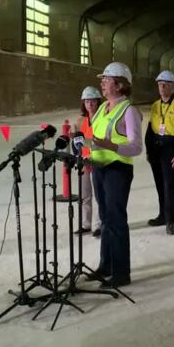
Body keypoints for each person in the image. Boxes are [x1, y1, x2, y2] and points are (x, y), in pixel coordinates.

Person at [87, 62, 143, 288]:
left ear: (119, 85)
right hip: (99, 168)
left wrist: (110, 146)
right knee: (105, 218)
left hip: (117, 170)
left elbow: (136, 147)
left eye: (107, 79)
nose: (102, 82)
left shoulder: (128, 111)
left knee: (116, 220)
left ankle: (121, 273)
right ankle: (106, 265)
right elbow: (95, 136)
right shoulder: (103, 108)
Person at [145, 70, 174, 235]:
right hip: (156, 148)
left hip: (170, 148)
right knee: (159, 184)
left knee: (168, 185)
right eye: (159, 84)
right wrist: (149, 151)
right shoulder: (155, 105)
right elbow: (150, 130)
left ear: (173, 87)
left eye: (166, 84)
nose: (162, 87)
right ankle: (162, 215)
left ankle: (171, 221)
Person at [74, 86, 103, 237]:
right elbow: (76, 142)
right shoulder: (80, 121)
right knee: (85, 195)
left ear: (98, 102)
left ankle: (98, 225)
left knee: (99, 195)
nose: (90, 104)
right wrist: (81, 159)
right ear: (83, 103)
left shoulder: (103, 118)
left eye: (92, 101)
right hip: (85, 162)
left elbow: (101, 141)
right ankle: (86, 224)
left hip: (98, 161)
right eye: (87, 101)